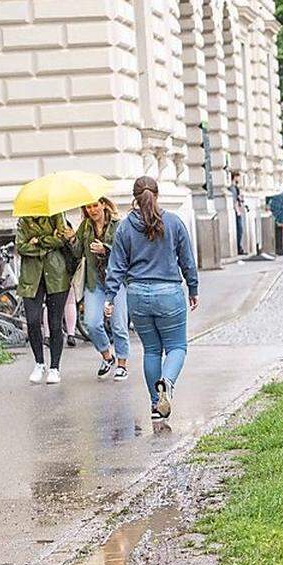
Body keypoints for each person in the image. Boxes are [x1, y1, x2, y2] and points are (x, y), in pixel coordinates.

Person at [105, 177, 200, 422]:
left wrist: (110, 297)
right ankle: (167, 383)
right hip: (168, 294)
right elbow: (187, 261)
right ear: (156, 195)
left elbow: (116, 266)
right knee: (177, 346)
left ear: (135, 197)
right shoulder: (174, 223)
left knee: (151, 350)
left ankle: (156, 406)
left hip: (137, 294)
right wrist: (193, 288)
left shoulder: (125, 227)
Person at [73, 196, 130, 381]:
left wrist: (106, 249)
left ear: (104, 204)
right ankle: (107, 356)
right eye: (88, 207)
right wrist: (72, 240)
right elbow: (78, 253)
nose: (92, 210)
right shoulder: (85, 227)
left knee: (118, 325)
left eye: (95, 205)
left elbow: (126, 252)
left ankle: (122, 364)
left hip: (115, 282)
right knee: (92, 323)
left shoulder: (118, 225)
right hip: (94, 282)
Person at [16, 213, 76, 384]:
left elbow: (61, 239)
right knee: (33, 320)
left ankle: (54, 367)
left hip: (56, 274)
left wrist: (38, 241)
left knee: (55, 323)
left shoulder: (57, 215)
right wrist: (48, 242)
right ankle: (39, 363)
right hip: (31, 277)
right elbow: (21, 246)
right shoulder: (23, 221)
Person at [230, 171, 246, 256]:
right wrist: (237, 210)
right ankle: (238, 247)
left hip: (238, 210)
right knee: (239, 230)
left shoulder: (235, 187)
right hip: (237, 211)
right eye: (238, 177)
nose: (239, 179)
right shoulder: (232, 188)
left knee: (240, 230)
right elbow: (234, 200)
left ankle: (239, 247)